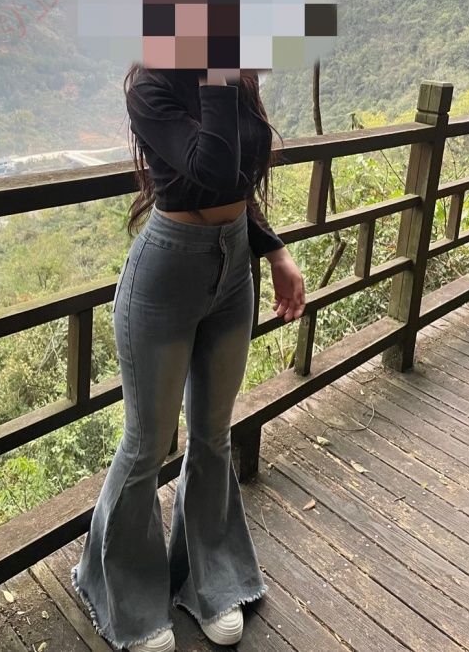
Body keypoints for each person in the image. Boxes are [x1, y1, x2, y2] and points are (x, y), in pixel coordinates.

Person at [71, 64, 306, 651]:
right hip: (164, 276)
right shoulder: (151, 85)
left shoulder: (234, 77)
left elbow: (238, 180)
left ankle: (211, 582)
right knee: (147, 444)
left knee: (213, 436)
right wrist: (220, 73)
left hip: (234, 270)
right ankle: (122, 593)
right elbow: (211, 167)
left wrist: (274, 250)